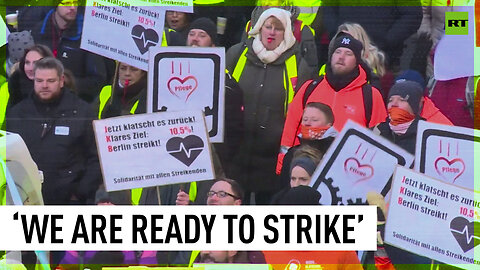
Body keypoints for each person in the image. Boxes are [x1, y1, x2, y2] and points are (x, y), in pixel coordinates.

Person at [227, 7, 313, 204]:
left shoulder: (299, 65)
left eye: (278, 28)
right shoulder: (237, 53)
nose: (272, 32)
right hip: (236, 152)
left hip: (273, 157)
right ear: (259, 28)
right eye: (268, 26)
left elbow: (300, 110)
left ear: (287, 33)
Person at [279, 33, 387, 172]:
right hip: (305, 167)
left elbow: (379, 140)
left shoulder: (371, 95)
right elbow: (290, 128)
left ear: (357, 61)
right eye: (338, 52)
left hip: (347, 170)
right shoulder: (310, 88)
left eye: (348, 53)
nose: (341, 57)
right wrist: (283, 164)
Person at [7, 57, 101, 205]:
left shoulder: (82, 112)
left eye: (50, 81)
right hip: (27, 199)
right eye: (39, 81)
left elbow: (96, 157)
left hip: (70, 201)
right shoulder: (18, 113)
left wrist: (80, 192)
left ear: (61, 80)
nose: (44, 85)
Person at [31, 0, 107, 102]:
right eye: (67, 3)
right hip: (42, 101)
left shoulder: (87, 34)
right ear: (56, 5)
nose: (72, 7)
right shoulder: (39, 31)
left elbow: (98, 80)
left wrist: (69, 82)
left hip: (75, 103)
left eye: (75, 3)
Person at [277, 102, 336, 182]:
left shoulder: (336, 156)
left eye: (314, 120)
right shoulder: (291, 154)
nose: (307, 123)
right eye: (305, 119)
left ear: (329, 125)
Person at [374, 80, 425, 155]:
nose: (394, 104)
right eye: (390, 100)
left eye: (402, 100)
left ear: (414, 106)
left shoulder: (425, 136)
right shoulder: (377, 131)